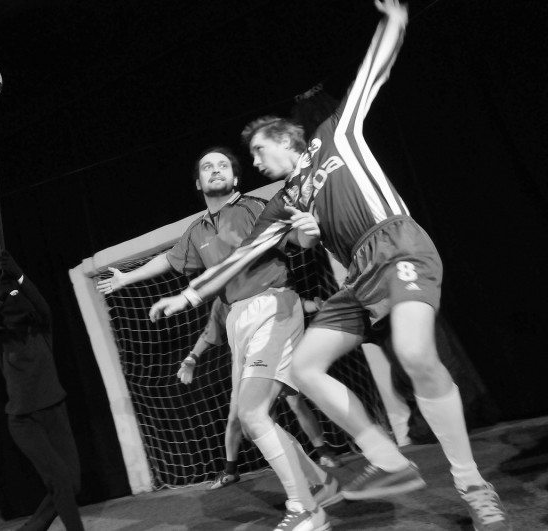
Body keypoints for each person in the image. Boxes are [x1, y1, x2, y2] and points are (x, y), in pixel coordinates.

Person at [148, 1, 510, 529]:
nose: (255, 162)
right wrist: (189, 295)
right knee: (303, 367)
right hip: (358, 278)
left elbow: (370, 77)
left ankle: (472, 485)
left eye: (258, 151)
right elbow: (244, 254)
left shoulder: (335, 135)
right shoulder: (283, 200)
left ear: (283, 139)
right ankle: (388, 460)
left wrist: (394, 23)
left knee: (415, 353)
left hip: (396, 247)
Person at [101, 146, 336, 531]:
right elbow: (170, 259)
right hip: (236, 318)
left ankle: (307, 510)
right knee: (250, 417)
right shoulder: (197, 230)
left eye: (223, 165)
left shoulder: (254, 208)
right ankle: (319, 482)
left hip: (272, 304)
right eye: (207, 167)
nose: (215, 170)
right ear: (198, 183)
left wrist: (310, 232)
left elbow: (298, 238)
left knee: (253, 412)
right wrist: (127, 277)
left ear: (236, 178)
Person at [178, 298, 342, 493]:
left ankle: (315, 471)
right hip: (245, 368)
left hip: (272, 360)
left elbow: (292, 302)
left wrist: (315, 306)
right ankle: (308, 479)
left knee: (276, 414)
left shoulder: (260, 293)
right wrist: (191, 358)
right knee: (250, 425)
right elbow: (209, 332)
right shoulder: (221, 304)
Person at [0, 251, 85, 531]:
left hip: (55, 412)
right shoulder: (0, 341)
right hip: (24, 421)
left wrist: (19, 274)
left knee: (72, 483)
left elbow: (41, 304)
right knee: (60, 481)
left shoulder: (41, 329)